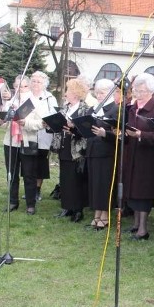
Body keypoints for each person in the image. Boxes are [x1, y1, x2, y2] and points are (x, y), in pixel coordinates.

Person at [122, 73, 154, 240]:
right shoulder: (133, 107)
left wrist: (141, 134)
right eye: (136, 90)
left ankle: (143, 229)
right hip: (132, 154)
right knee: (133, 192)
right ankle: (135, 225)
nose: (137, 94)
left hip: (148, 158)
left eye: (141, 91)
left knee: (143, 194)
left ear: (150, 91)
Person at [0, 76, 40, 214]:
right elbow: (3, 123)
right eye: (17, 86)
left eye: (22, 86)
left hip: (27, 140)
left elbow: (41, 123)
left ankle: (30, 204)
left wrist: (26, 123)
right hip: (11, 142)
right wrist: (1, 122)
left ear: (28, 87)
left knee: (29, 173)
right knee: (12, 173)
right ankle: (13, 201)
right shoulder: (10, 102)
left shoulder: (34, 101)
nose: (19, 89)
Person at [56, 78, 91, 222]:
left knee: (76, 180)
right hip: (64, 145)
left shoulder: (84, 109)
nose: (66, 93)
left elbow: (87, 131)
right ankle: (67, 207)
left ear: (76, 93)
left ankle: (78, 210)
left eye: (68, 90)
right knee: (65, 178)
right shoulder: (65, 107)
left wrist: (74, 129)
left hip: (77, 148)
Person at [87, 78, 119, 230]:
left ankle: (105, 215)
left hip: (107, 152)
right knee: (95, 183)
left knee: (104, 184)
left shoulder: (116, 109)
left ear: (111, 93)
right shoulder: (94, 108)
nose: (99, 95)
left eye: (103, 92)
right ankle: (97, 213)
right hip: (93, 151)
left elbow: (119, 136)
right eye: (97, 92)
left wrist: (104, 133)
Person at [29, 71, 58, 201]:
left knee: (40, 162)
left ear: (44, 84)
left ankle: (37, 190)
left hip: (43, 134)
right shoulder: (26, 95)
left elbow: (54, 114)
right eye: (33, 81)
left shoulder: (50, 98)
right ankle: (29, 188)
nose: (35, 84)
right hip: (27, 133)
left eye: (38, 82)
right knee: (28, 162)